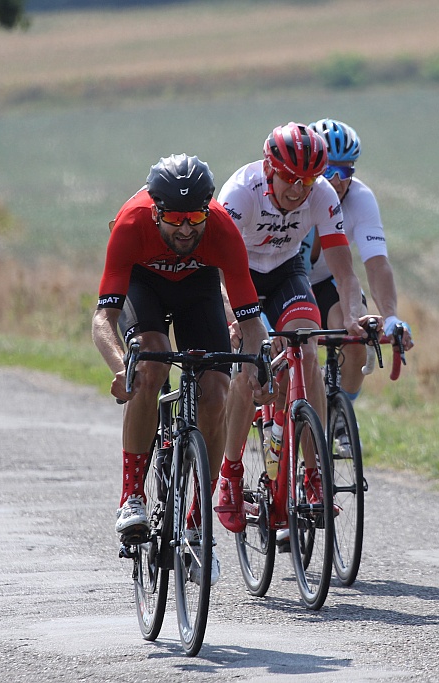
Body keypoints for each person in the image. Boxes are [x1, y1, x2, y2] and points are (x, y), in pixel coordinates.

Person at [92, 154, 271, 584]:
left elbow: (249, 323)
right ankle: (132, 496)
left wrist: (259, 369)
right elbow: (103, 320)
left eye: (195, 217)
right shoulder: (131, 225)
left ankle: (196, 523)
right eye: (175, 219)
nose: (187, 229)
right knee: (149, 367)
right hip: (144, 284)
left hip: (198, 289)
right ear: (156, 211)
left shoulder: (222, 229)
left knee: (216, 392)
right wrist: (121, 367)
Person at [214, 122, 375, 534]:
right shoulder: (240, 192)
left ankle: (313, 472)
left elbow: (344, 269)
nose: (297, 189)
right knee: (255, 361)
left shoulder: (321, 195)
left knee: (305, 347)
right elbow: (217, 270)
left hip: (287, 272)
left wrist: (353, 315)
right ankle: (230, 477)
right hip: (240, 274)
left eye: (306, 180)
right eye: (289, 178)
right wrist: (235, 319)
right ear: (269, 169)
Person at [305, 118, 414, 400]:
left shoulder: (361, 198)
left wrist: (390, 317)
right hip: (285, 283)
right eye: (329, 169)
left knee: (355, 340)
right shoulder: (295, 193)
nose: (338, 180)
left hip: (330, 281)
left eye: (346, 170)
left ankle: (341, 415)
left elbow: (377, 264)